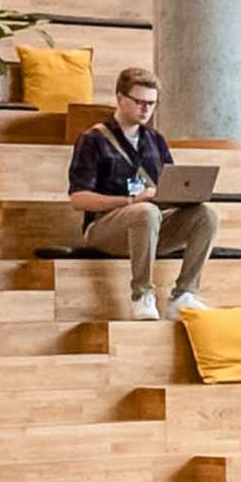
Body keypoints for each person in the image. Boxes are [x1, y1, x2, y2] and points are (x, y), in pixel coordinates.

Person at [65, 65, 219, 321]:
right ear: (120, 98)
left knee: (207, 215)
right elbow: (78, 198)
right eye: (139, 102)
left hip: (151, 224)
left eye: (151, 103)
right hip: (105, 228)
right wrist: (129, 201)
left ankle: (183, 295)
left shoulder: (156, 141)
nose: (146, 109)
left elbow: (171, 185)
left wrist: (183, 196)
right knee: (144, 212)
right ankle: (142, 294)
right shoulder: (93, 139)